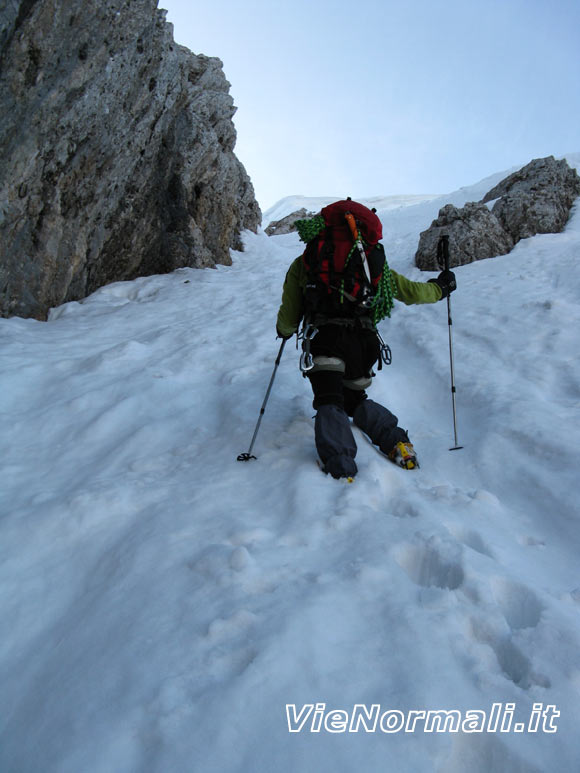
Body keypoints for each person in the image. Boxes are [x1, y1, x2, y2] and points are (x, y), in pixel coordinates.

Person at [275, 199, 456, 479]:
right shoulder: (371, 262)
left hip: (325, 340)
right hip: (364, 345)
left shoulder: (307, 261)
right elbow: (412, 292)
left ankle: (341, 467)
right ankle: (398, 442)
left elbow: (290, 312)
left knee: (329, 399)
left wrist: (285, 331)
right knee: (355, 399)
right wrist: (440, 288)